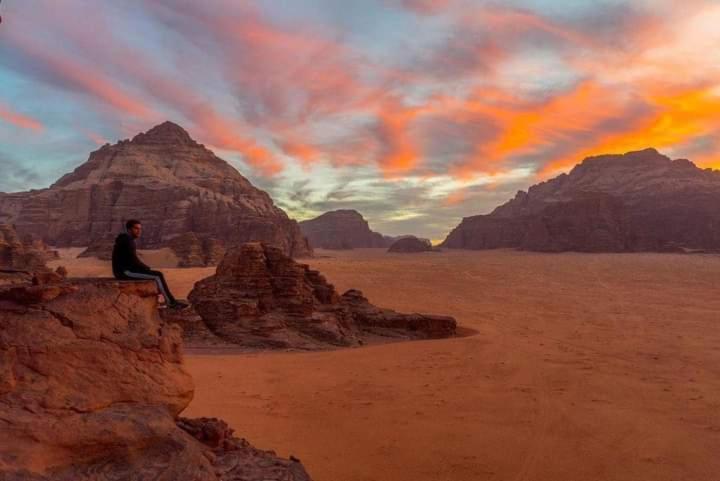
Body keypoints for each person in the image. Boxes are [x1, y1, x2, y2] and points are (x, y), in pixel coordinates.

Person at [112, 220, 188, 309]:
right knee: (157, 275)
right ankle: (171, 302)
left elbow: (130, 260)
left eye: (140, 229)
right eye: (136, 228)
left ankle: (168, 300)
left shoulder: (126, 239)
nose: (139, 231)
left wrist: (144, 269)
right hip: (124, 272)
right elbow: (133, 259)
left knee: (156, 274)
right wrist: (145, 268)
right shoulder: (127, 240)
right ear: (129, 229)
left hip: (126, 269)